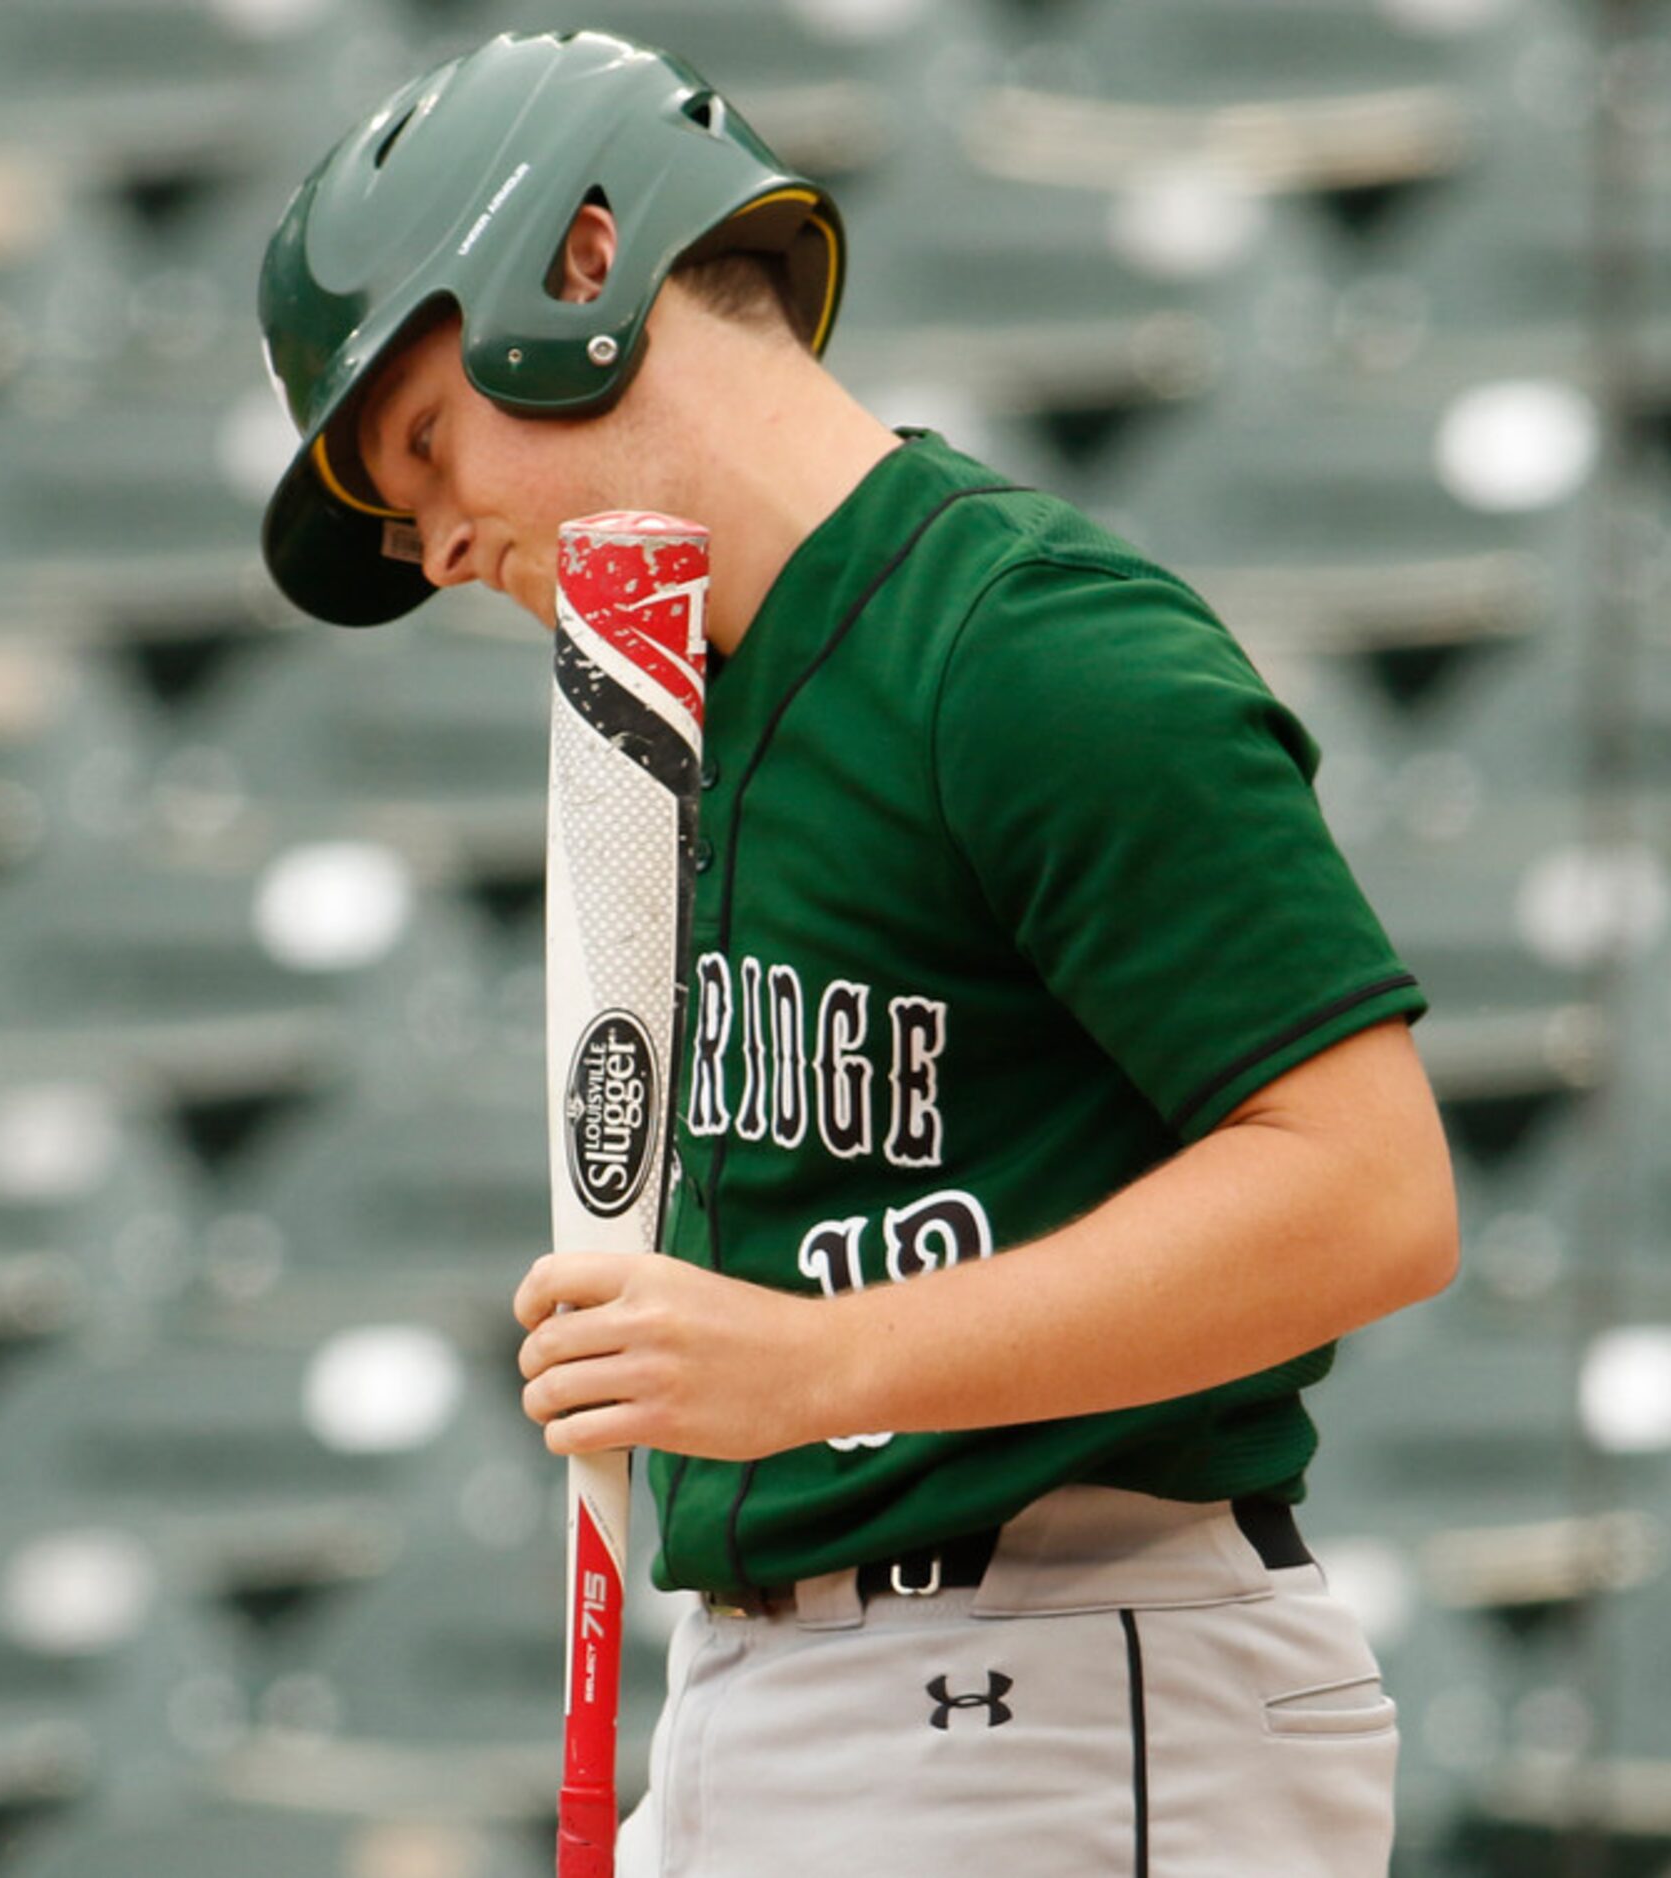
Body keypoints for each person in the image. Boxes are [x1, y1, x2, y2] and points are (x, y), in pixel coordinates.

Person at [256, 28, 1458, 1878]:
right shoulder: (664, 720)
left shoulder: (1026, 643)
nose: (425, 543)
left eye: (421, 445)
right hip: (771, 1691)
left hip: (1066, 1671)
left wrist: (812, 1367)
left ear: (581, 269)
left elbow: (1371, 1199)